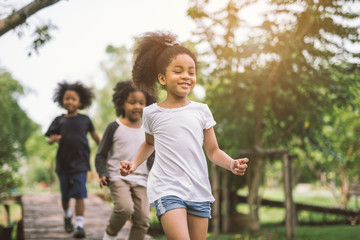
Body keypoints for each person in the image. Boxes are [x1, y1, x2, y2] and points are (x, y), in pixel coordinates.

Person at [120, 31, 249, 240]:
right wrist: (134, 164)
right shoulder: (152, 113)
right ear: (162, 78)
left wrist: (231, 163)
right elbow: (149, 144)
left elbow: (213, 151)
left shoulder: (201, 111)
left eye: (191, 72)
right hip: (167, 187)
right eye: (178, 71)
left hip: (198, 188)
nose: (186, 76)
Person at [95, 80, 156, 240]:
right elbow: (100, 154)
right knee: (124, 208)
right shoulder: (114, 127)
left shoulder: (148, 129)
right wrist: (102, 173)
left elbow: (152, 157)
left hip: (142, 179)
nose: (137, 106)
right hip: (117, 177)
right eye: (132, 102)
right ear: (122, 103)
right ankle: (109, 235)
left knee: (142, 219)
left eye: (142, 103)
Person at [45, 81, 100, 239]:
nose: (69, 101)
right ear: (61, 100)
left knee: (80, 194)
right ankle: (67, 215)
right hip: (63, 164)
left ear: (80, 102)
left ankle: (80, 226)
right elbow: (49, 139)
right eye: (66, 98)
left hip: (81, 164)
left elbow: (96, 137)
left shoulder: (85, 120)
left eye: (73, 99)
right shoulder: (58, 120)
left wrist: (105, 149)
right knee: (65, 197)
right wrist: (53, 139)